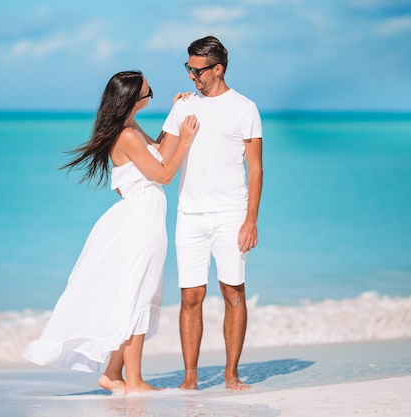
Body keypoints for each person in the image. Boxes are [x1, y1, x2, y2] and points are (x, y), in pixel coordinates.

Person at [23, 70, 199, 395]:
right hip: (140, 220)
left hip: (141, 216)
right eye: (149, 93)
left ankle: (113, 374)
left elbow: (159, 148)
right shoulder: (127, 135)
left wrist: (176, 116)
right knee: (137, 295)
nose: (151, 96)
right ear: (133, 99)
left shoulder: (130, 128)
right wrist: (186, 139)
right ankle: (133, 381)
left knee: (132, 292)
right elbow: (163, 174)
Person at [159, 35, 263, 391]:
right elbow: (159, 151)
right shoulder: (184, 105)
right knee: (191, 296)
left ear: (217, 69)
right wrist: (168, 113)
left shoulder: (244, 108)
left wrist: (251, 219)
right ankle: (190, 377)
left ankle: (231, 373)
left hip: (231, 213)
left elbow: (255, 167)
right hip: (189, 214)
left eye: (197, 70)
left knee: (233, 290)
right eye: (188, 68)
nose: (191, 76)